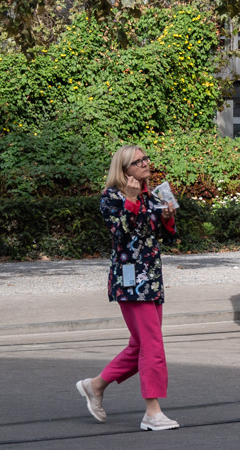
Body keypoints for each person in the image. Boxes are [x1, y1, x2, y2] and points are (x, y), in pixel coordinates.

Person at [76, 146, 180, 431]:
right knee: (152, 345)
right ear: (124, 170)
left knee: (141, 345)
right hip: (130, 279)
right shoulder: (111, 197)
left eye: (146, 158)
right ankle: (152, 412)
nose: (146, 163)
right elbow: (120, 235)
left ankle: (95, 385)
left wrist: (168, 218)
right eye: (138, 161)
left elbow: (167, 238)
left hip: (152, 278)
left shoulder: (153, 195)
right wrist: (131, 201)